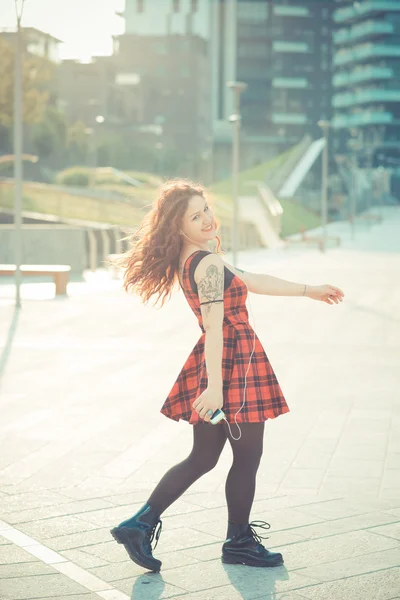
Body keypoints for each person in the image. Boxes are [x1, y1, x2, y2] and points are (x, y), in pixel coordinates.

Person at [110, 179, 344, 572]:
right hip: (232, 363)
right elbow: (215, 326)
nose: (207, 219)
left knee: (203, 456)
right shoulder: (208, 263)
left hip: (221, 361)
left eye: (206, 210)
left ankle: (140, 524)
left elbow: (253, 280)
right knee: (246, 455)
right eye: (195, 215)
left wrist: (310, 290)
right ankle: (237, 542)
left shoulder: (199, 257)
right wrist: (215, 388)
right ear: (177, 225)